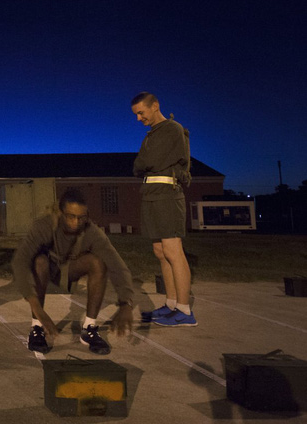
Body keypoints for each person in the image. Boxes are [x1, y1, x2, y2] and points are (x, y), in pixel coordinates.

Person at [11, 189, 135, 355]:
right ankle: (37, 328)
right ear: (60, 213)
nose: (76, 222)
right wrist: (36, 306)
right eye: (71, 216)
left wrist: (126, 303)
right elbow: (20, 261)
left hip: (70, 269)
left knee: (97, 262)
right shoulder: (44, 225)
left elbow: (117, 264)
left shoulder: (91, 231)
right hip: (46, 269)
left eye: (81, 217)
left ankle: (89, 329)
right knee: (39, 261)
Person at [131, 92, 197, 327]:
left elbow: (145, 162)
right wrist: (142, 163)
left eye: (141, 112)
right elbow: (140, 166)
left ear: (155, 106)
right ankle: (171, 304)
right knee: (160, 250)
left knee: (173, 249)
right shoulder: (152, 134)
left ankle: (184, 310)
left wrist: (142, 162)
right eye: (136, 114)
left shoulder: (172, 129)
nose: (139, 118)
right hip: (151, 193)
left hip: (167, 194)